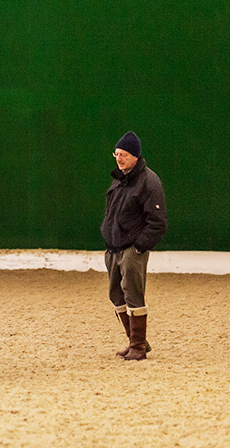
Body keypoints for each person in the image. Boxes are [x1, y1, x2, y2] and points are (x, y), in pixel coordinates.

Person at [100, 131, 167, 360]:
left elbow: (158, 223)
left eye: (124, 155)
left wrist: (138, 247)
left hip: (131, 250)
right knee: (116, 295)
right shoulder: (120, 179)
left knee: (133, 295)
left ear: (136, 156)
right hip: (113, 248)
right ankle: (135, 342)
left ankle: (138, 346)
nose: (119, 159)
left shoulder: (150, 182)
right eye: (116, 154)